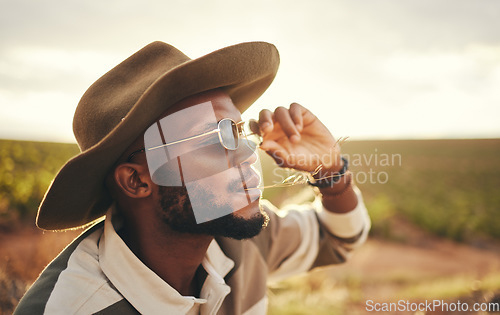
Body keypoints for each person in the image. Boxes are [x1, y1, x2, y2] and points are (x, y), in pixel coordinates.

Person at [14, 41, 370, 314]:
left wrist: (330, 170)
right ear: (137, 181)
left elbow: (338, 239)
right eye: (215, 138)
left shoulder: (234, 240)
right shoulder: (73, 307)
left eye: (239, 131)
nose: (247, 152)